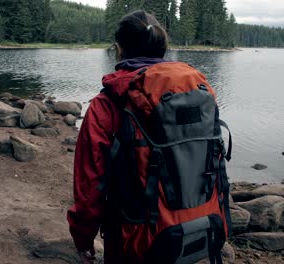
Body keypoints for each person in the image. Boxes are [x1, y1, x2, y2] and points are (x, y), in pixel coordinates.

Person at [67, 10, 231, 264]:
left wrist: (83, 238)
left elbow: (90, 187)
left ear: (119, 50)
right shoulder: (197, 90)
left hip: (135, 239)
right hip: (201, 226)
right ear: (162, 50)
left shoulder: (109, 103)